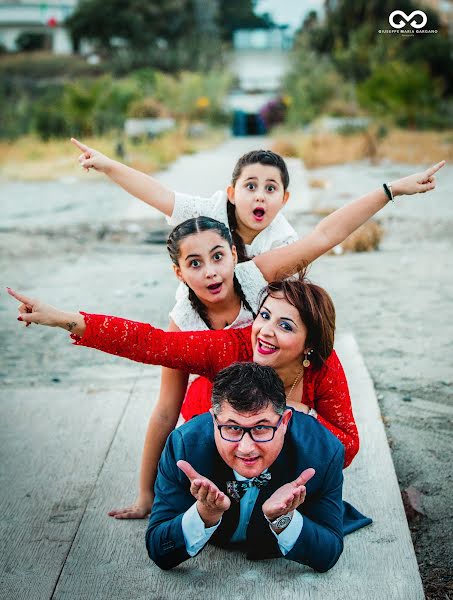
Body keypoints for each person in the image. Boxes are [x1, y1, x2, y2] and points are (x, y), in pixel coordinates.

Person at [69, 152, 444, 520]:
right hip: (224, 361)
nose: (260, 195)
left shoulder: (261, 268)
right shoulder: (202, 232)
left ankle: (273, 475)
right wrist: (146, 495)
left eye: (270, 187)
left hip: (267, 361)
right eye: (250, 185)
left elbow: (327, 235)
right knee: (206, 409)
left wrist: (390, 190)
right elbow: (161, 389)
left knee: (284, 399)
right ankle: (234, 484)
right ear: (231, 192)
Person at [146, 362, 371, 571]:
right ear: (214, 420)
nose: (246, 448)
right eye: (232, 428)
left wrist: (284, 519)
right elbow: (158, 548)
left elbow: (328, 553)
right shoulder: (184, 448)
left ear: (284, 422)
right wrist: (204, 514)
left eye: (261, 428)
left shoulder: (322, 453)